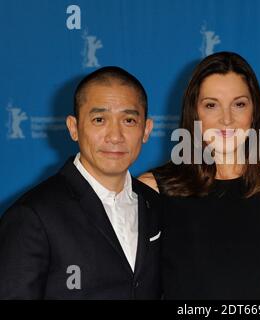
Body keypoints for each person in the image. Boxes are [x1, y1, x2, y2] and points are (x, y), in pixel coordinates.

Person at [0, 66, 161, 299]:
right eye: (99, 119)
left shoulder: (156, 206)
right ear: (74, 128)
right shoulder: (32, 216)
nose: (115, 136)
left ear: (146, 130)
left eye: (128, 120)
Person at [139, 51, 260, 300]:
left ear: (254, 113)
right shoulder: (154, 189)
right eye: (211, 105)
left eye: (239, 104)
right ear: (194, 113)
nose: (226, 119)